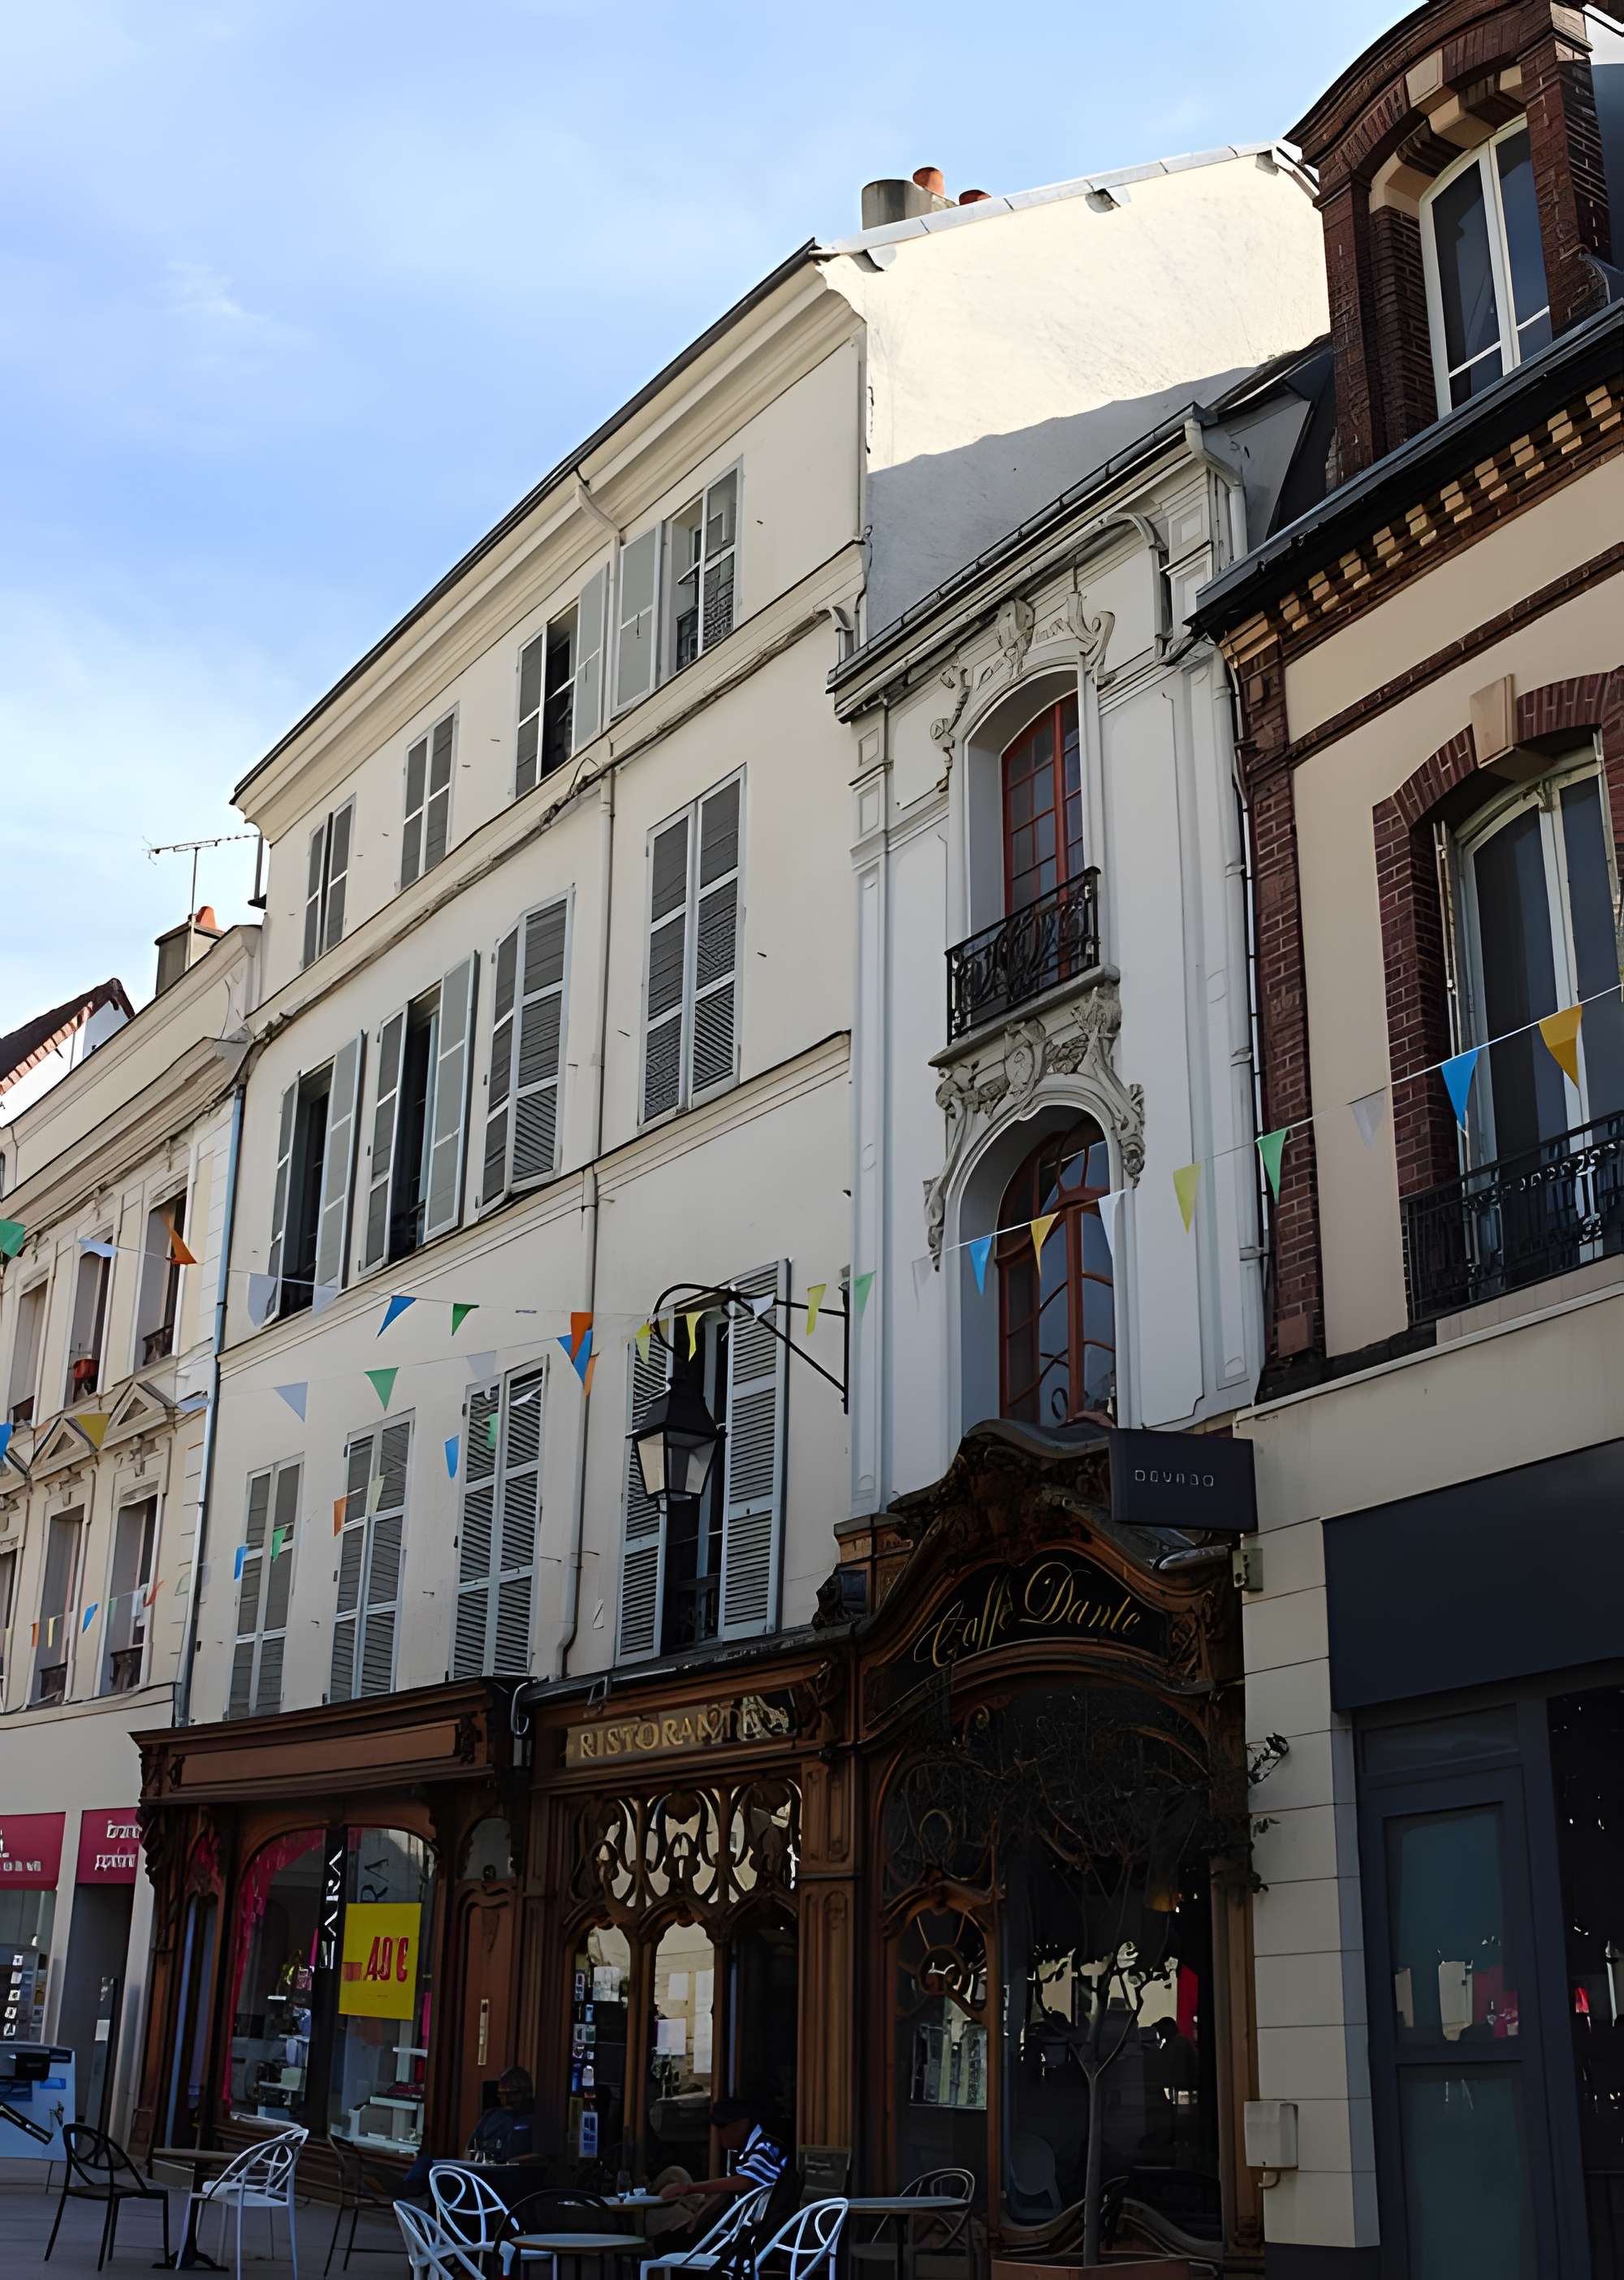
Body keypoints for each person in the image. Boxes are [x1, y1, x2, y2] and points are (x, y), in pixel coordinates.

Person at [401, 2065, 539, 2195]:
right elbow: (468, 2150)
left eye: (508, 2093)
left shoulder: (532, 2120)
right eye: (501, 2093)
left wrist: (510, 2163)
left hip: (503, 2173)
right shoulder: (491, 2115)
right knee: (429, 2164)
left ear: (521, 2094)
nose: (502, 2098)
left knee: (449, 2183)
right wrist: (466, 2164)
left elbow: (542, 2157)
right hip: (478, 2167)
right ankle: (405, 2191)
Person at [658, 2095, 788, 2204]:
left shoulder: (765, 2146)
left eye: (723, 2126)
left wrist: (689, 2188)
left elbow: (746, 2181)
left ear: (742, 2124)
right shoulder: (739, 2150)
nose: (720, 2134)